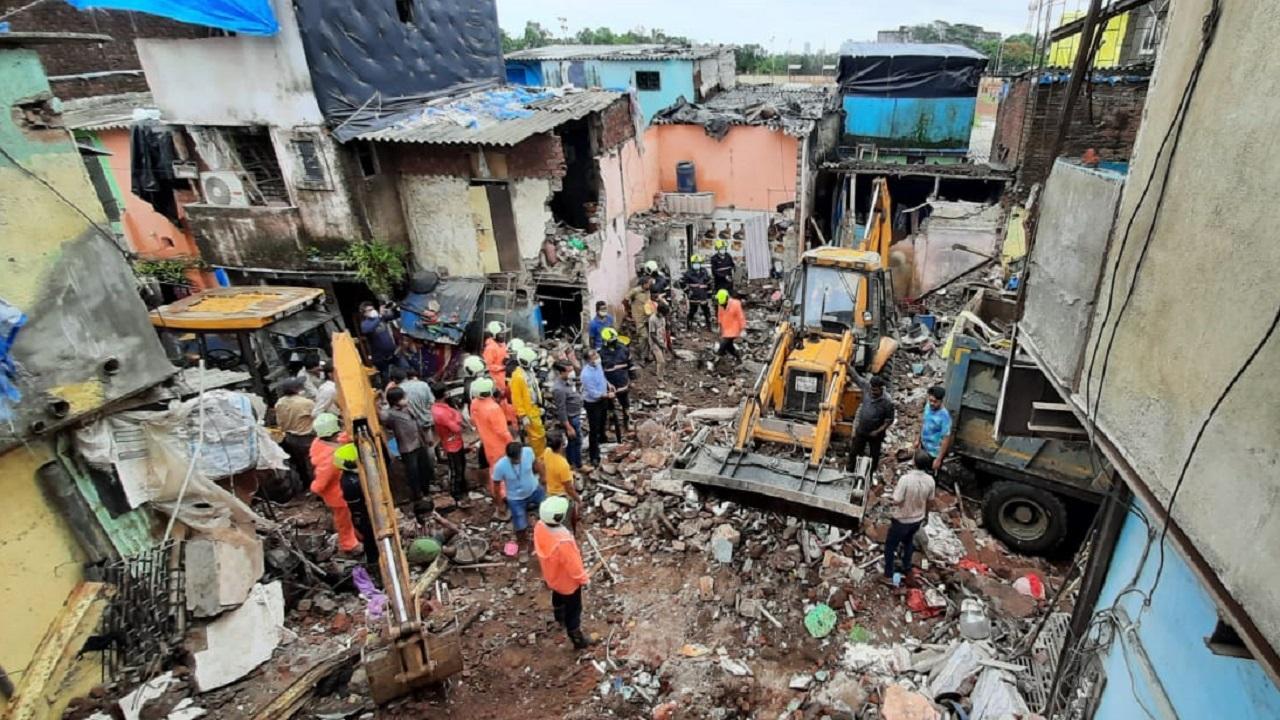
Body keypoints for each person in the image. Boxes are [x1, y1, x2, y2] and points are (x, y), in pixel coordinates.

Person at [533, 495, 593, 649]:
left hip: (551, 575)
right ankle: (576, 637)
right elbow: (574, 566)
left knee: (557, 596)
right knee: (574, 609)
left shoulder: (539, 526)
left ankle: (558, 616)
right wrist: (584, 579)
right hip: (568, 583)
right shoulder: (563, 540)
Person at [882, 451, 937, 585]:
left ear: (914, 462)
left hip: (902, 519)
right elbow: (930, 501)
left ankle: (889, 575)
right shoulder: (930, 481)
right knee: (908, 543)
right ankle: (907, 568)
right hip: (917, 519)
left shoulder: (905, 479)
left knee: (890, 546)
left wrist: (887, 499)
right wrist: (926, 515)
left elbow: (897, 500)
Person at [308, 413, 360, 554]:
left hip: (338, 492)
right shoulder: (331, 457)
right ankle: (348, 545)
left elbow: (343, 439)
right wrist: (316, 488)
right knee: (344, 521)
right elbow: (323, 479)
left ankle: (355, 536)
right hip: (338, 494)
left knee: (349, 517)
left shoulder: (320, 444)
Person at [379, 386, 433, 507]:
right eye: (403, 397)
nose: (406, 399)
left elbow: (417, 424)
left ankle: (426, 490)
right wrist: (383, 403)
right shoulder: (391, 414)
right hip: (407, 448)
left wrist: (425, 438)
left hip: (419, 443)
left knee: (424, 467)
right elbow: (382, 416)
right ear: (395, 401)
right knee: (413, 472)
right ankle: (417, 495)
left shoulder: (408, 409)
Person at [491, 441, 547, 559]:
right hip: (515, 499)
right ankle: (523, 546)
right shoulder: (500, 466)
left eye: (518, 457)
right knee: (520, 525)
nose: (517, 461)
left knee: (546, 509)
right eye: (514, 459)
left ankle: (548, 535)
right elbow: (496, 486)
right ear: (508, 456)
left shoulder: (528, 452)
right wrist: (500, 503)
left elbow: (536, 463)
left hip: (534, 490)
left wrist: (543, 476)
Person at [334, 443, 379, 568]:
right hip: (366, 514)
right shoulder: (351, 483)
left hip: (368, 511)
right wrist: (357, 525)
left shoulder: (352, 478)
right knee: (370, 541)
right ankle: (374, 564)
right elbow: (355, 508)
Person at [470, 377, 513, 502]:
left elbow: (473, 421)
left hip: (487, 442)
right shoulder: (493, 408)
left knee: (493, 468)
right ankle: (502, 495)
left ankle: (496, 491)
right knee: (502, 468)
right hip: (499, 444)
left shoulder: (474, 403)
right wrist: (511, 442)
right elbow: (502, 431)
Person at [848, 368, 895, 477]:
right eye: (872, 390)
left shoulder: (887, 402)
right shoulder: (867, 388)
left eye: (876, 391)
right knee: (854, 452)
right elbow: (856, 377)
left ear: (881, 389)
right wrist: (846, 365)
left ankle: (870, 473)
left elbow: (889, 420)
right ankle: (850, 471)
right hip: (862, 430)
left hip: (876, 434)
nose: (873, 392)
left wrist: (878, 431)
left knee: (874, 455)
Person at [275, 378, 316, 490]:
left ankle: (305, 485)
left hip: (290, 437)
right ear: (297, 389)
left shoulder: (280, 403)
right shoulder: (306, 403)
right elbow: (317, 415)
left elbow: (280, 422)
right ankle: (316, 489)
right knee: (312, 464)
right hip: (306, 438)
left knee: (299, 464)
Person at [432, 385, 469, 502]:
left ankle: (462, 487)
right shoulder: (442, 412)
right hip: (451, 444)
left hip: (453, 441)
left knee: (461, 467)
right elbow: (456, 428)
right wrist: (457, 418)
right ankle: (456, 493)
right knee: (456, 470)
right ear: (445, 394)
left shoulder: (438, 408)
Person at [538, 432, 581, 533]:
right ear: (561, 446)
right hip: (562, 495)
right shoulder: (563, 464)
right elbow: (569, 488)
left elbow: (541, 463)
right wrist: (577, 499)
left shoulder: (547, 451)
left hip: (550, 491)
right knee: (566, 523)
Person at [510, 346, 547, 456]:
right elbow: (516, 399)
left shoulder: (528, 371)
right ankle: (539, 458)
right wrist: (523, 415)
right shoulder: (518, 377)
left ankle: (541, 454)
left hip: (534, 408)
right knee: (537, 436)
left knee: (540, 434)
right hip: (529, 411)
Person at [580, 348, 613, 469]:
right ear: (588, 360)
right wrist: (607, 395)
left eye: (596, 354)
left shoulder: (598, 366)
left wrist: (608, 384)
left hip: (603, 399)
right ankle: (594, 455)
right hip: (593, 403)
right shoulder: (585, 374)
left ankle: (603, 441)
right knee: (594, 429)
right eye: (593, 356)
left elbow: (602, 376)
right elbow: (593, 393)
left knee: (603, 421)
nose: (597, 357)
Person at [598, 328, 632, 439]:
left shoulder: (623, 349)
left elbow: (630, 365)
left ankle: (627, 422)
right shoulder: (601, 353)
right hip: (609, 384)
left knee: (625, 404)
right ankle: (612, 422)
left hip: (622, 382)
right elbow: (600, 371)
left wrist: (633, 379)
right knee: (610, 406)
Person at [551, 360, 584, 469]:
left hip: (575, 416)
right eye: (569, 371)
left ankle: (573, 463)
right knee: (575, 442)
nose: (572, 372)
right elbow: (561, 409)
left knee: (575, 441)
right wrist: (568, 427)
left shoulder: (567, 382)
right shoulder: (559, 389)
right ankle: (576, 465)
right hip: (570, 419)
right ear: (562, 372)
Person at [359, 302, 399, 380]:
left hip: (393, 353)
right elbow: (366, 330)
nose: (373, 311)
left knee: (400, 373)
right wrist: (380, 316)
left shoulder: (382, 318)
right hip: (381, 358)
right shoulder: (365, 324)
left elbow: (396, 315)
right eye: (369, 310)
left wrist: (394, 308)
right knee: (387, 377)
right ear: (364, 314)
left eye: (373, 309)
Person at [919, 386, 953, 473]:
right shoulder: (928, 406)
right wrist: (918, 439)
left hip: (933, 453)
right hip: (923, 447)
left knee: (929, 475)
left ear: (941, 401)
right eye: (930, 400)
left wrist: (938, 459)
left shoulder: (945, 417)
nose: (932, 403)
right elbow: (923, 422)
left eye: (935, 401)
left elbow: (946, 439)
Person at [681, 254, 713, 331]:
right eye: (695, 263)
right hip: (694, 296)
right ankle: (689, 326)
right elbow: (682, 283)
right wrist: (688, 291)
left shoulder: (704, 272)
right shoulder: (688, 273)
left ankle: (709, 326)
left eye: (698, 263)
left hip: (703, 295)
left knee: (706, 311)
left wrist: (709, 294)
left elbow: (709, 282)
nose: (696, 265)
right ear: (692, 264)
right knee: (692, 311)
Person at [625, 277, 652, 360]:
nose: (649, 284)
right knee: (643, 337)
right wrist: (629, 312)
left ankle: (647, 354)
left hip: (647, 316)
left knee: (649, 337)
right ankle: (642, 356)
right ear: (643, 284)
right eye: (648, 283)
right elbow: (625, 300)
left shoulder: (648, 291)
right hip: (639, 317)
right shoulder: (635, 291)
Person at [714, 289, 745, 362]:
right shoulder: (720, 304)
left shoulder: (736, 304)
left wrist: (743, 329)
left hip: (734, 327)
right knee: (729, 346)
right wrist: (719, 325)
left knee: (723, 344)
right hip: (726, 327)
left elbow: (741, 317)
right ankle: (738, 357)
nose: (722, 305)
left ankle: (716, 360)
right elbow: (720, 315)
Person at [482, 321, 509, 394]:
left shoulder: (502, 344)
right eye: (501, 334)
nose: (503, 336)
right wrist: (502, 368)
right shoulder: (490, 348)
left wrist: (507, 360)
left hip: (503, 376)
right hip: (495, 378)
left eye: (504, 334)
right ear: (494, 335)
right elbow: (487, 366)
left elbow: (505, 354)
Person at [645, 301, 668, 374]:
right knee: (661, 361)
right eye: (663, 314)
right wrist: (660, 344)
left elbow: (663, 329)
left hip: (662, 340)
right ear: (659, 311)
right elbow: (652, 334)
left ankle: (659, 371)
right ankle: (660, 380)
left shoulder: (662, 318)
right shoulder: (652, 319)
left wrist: (665, 341)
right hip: (655, 342)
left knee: (660, 359)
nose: (664, 316)